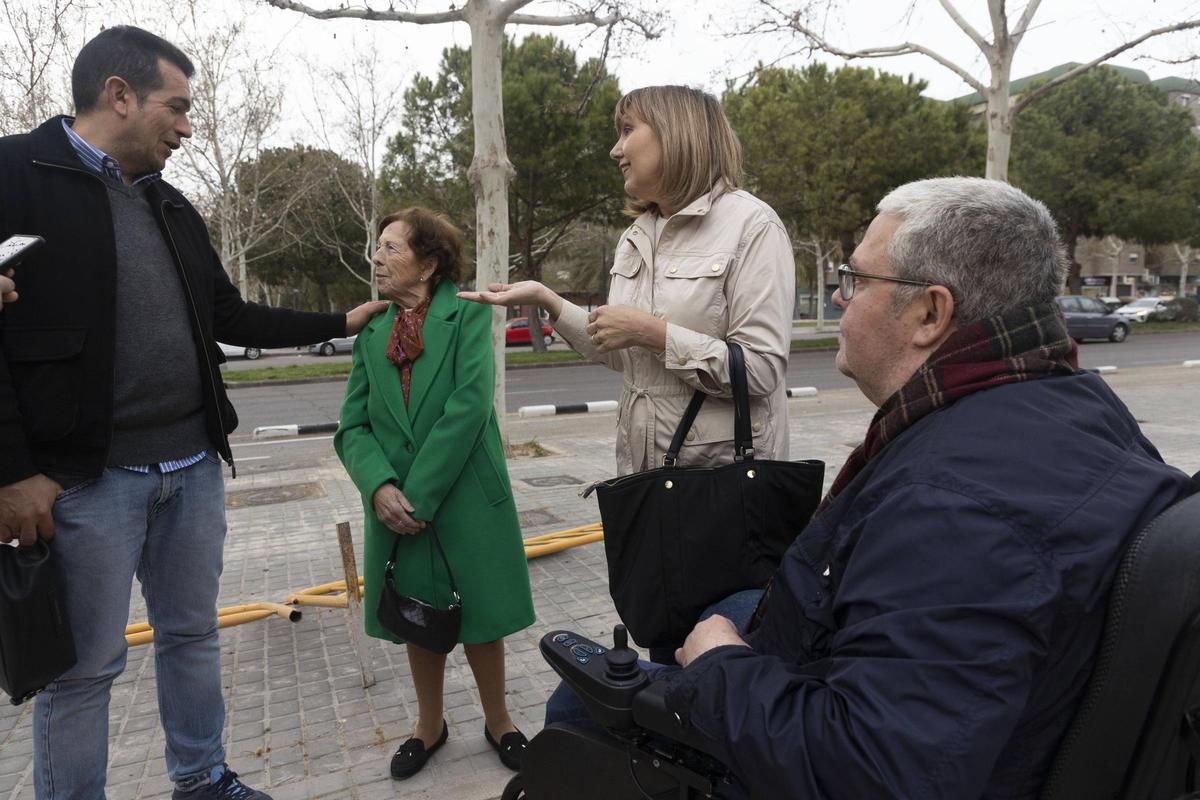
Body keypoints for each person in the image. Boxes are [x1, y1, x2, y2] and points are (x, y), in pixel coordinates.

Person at [547, 177, 1194, 799]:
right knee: (744, 601)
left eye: (855, 279)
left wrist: (719, 669)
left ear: (929, 313)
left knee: (575, 702)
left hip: (841, 743)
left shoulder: (955, 510)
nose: (837, 297)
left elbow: (869, 773)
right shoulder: (1070, 402)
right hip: (975, 704)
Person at [0, 26, 387, 800]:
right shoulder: (13, 174)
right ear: (119, 94)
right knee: (84, 671)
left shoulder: (171, 204)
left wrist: (337, 324)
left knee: (191, 637)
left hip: (192, 468)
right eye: (176, 107)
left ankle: (202, 779)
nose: (187, 126)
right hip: (83, 482)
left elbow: (228, 315)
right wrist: (14, 473)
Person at [461, 85, 794, 660]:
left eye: (627, 131)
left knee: (726, 656)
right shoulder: (639, 233)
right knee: (664, 649)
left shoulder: (752, 226)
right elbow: (618, 352)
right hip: (646, 485)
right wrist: (546, 300)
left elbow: (759, 371)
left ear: (677, 133)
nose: (615, 151)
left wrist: (652, 332)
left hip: (720, 494)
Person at [335, 208, 536, 780]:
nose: (378, 256)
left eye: (392, 247)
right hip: (394, 504)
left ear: (428, 262)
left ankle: (499, 720)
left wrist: (415, 496)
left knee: (478, 614)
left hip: (460, 495)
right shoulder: (371, 330)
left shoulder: (467, 315)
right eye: (378, 246)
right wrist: (378, 487)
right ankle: (430, 726)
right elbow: (351, 426)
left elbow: (470, 406)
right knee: (417, 613)